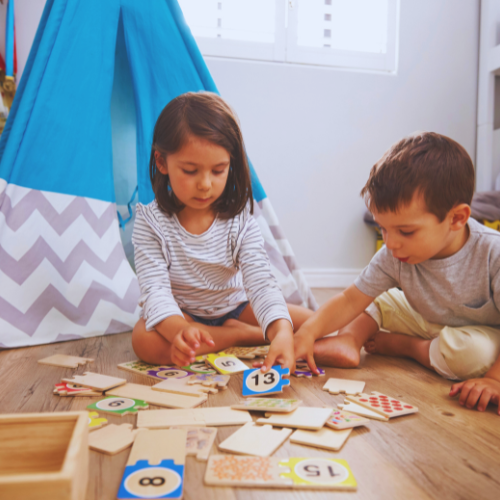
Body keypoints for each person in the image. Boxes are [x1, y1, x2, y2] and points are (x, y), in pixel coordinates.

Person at [294, 132, 500, 414]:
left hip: (480, 335)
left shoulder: (493, 253)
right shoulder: (394, 254)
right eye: (383, 228)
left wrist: (494, 380)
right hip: (426, 317)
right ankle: (349, 340)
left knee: (475, 354)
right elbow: (350, 300)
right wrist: (306, 334)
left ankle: (407, 347)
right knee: (378, 300)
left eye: (405, 231)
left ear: (456, 218)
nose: (390, 243)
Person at [131, 92, 312, 373]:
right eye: (190, 171)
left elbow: (261, 284)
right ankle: (241, 335)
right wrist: (179, 329)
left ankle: (243, 330)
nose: (205, 184)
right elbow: (154, 291)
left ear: (231, 164)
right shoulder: (150, 222)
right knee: (144, 342)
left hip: (237, 306)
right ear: (162, 162)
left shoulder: (241, 221)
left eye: (218, 170)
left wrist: (282, 332)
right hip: (184, 314)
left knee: (313, 322)